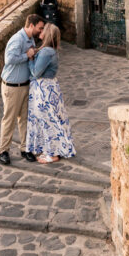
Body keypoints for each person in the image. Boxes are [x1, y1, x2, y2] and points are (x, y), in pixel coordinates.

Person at [25, 23, 75, 164]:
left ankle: (52, 154)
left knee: (47, 121)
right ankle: (52, 150)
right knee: (51, 119)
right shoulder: (49, 50)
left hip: (44, 90)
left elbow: (35, 72)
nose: (40, 31)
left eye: (43, 29)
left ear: (47, 34)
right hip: (48, 87)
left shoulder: (47, 51)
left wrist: (30, 58)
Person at [0, 14, 45, 165]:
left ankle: (25, 149)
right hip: (12, 87)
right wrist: (27, 55)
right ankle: (4, 151)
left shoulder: (30, 39)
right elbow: (9, 59)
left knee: (25, 119)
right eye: (40, 28)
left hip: (25, 85)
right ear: (31, 25)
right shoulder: (17, 39)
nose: (40, 30)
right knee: (9, 120)